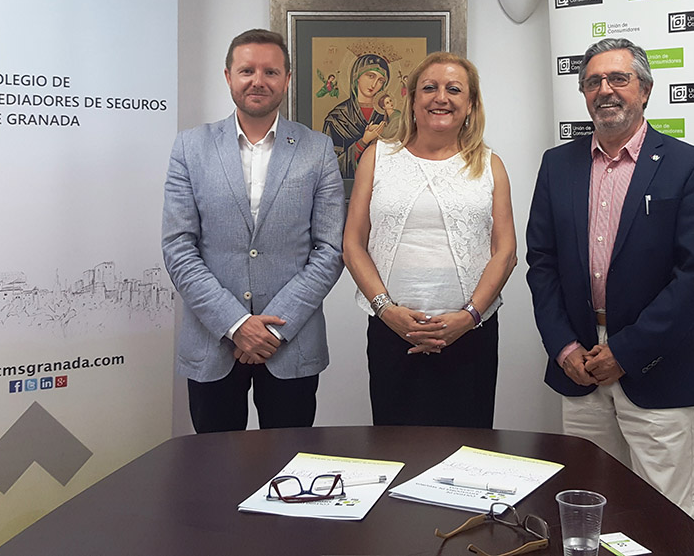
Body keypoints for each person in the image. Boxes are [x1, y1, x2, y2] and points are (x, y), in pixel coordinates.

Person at [526, 38, 694, 523]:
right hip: (579, 367)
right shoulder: (557, 164)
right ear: (583, 93)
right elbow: (541, 263)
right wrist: (563, 346)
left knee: (668, 516)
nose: (605, 90)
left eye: (618, 78)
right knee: (587, 507)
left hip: (657, 365)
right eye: (593, 82)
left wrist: (626, 352)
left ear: (645, 90)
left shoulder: (689, 165)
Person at [162, 28, 345, 433]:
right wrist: (236, 324)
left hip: (291, 343)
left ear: (287, 79)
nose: (258, 81)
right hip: (213, 341)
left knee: (288, 460)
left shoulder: (318, 149)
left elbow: (330, 250)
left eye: (270, 72)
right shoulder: (191, 147)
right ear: (228, 76)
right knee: (215, 463)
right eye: (247, 71)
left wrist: (273, 329)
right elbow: (178, 247)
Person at [344, 51, 517, 428]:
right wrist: (386, 310)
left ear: (470, 104)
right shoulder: (377, 157)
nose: (441, 97)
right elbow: (353, 244)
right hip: (393, 331)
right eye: (429, 88)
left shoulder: (490, 165)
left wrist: (468, 317)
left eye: (454, 89)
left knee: (468, 450)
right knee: (396, 447)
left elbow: (505, 253)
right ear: (411, 99)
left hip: (470, 334)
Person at [322, 53, 390, 178]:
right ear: (357, 76)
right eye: (370, 76)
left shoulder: (387, 116)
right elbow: (329, 168)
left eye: (381, 81)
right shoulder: (337, 118)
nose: (374, 84)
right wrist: (363, 142)